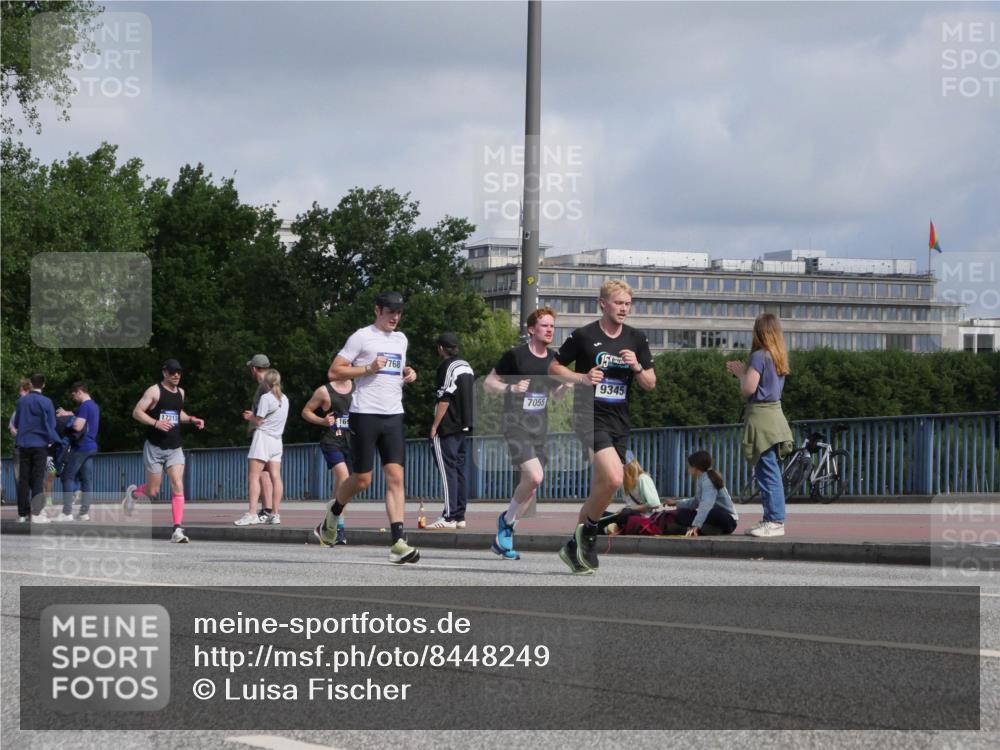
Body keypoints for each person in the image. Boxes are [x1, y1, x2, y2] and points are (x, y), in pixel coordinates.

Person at [549, 279, 656, 575]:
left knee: (603, 486)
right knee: (612, 477)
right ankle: (592, 535)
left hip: (619, 419)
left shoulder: (637, 338)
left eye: (627, 304)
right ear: (603, 303)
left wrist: (636, 367)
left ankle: (574, 545)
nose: (623, 309)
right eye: (618, 303)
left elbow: (650, 383)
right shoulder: (584, 336)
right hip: (588, 414)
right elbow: (554, 367)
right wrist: (582, 378)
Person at [316, 291, 420, 564]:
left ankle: (398, 541)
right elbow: (334, 371)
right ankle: (334, 510)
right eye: (389, 312)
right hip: (365, 414)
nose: (394, 317)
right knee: (363, 479)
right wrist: (367, 369)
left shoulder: (401, 339)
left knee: (396, 477)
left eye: (398, 313)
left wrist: (408, 373)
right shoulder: (361, 336)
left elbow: (396, 370)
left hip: (394, 414)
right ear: (377, 310)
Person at [483, 306, 567, 559]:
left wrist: (567, 385)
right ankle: (506, 524)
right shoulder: (515, 356)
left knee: (530, 486)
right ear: (532, 329)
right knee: (535, 476)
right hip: (515, 423)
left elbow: (556, 396)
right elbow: (489, 383)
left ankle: (506, 528)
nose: (550, 329)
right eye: (544, 325)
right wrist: (511, 388)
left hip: (539, 427)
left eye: (552, 325)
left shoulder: (554, 361)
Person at [727, 313, 794, 538]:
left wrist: (740, 374)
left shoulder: (758, 356)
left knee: (767, 471)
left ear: (759, 332)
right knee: (771, 469)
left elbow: (749, 388)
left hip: (761, 419)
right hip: (776, 416)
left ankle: (774, 520)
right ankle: (770, 519)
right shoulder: (778, 356)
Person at [123, 359, 205, 543]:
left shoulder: (181, 392)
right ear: (164, 373)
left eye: (179, 372)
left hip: (174, 447)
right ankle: (134, 493)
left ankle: (177, 530)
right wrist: (155, 422)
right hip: (155, 447)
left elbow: (178, 413)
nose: (176, 375)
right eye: (172, 372)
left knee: (177, 484)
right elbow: (137, 412)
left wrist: (192, 419)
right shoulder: (154, 391)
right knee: (153, 491)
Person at [599, 450, 737, 536]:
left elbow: (706, 505)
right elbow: (695, 502)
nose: (688, 469)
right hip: (716, 518)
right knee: (682, 514)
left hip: (727, 519)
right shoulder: (702, 479)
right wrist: (676, 503)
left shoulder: (708, 481)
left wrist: (696, 524)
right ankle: (708, 529)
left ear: (694, 467)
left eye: (689, 466)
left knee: (705, 513)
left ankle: (703, 528)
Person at [427, 332, 475, 530]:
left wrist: (435, 425)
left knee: (448, 472)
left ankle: (448, 516)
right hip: (464, 425)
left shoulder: (447, 367)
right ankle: (459, 515)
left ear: (440, 348)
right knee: (459, 470)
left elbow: (445, 397)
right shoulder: (467, 366)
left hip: (448, 426)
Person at [303, 377, 354, 546]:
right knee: (344, 477)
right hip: (331, 441)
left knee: (346, 487)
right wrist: (322, 421)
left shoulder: (358, 387)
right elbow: (306, 411)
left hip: (351, 442)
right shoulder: (324, 391)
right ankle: (333, 527)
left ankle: (333, 528)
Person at [235, 369, 288, 526]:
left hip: (263, 439)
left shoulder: (266, 398)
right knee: (276, 477)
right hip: (277, 441)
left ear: (266, 383)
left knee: (254, 476)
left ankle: (252, 513)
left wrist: (250, 417)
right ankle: (275, 513)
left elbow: (259, 421)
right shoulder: (285, 399)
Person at [13, 374, 61, 523]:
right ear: (43, 385)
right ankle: (37, 513)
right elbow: (52, 424)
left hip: (24, 444)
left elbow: (16, 422)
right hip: (40, 444)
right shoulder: (47, 402)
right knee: (38, 478)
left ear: (31, 385)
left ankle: (22, 514)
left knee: (23, 479)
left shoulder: (21, 401)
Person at [54, 382, 101, 522]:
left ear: (79, 392)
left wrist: (66, 420)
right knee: (87, 480)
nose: (73, 398)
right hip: (92, 446)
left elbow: (78, 425)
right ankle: (84, 513)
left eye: (73, 395)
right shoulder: (94, 406)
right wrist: (69, 413)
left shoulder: (85, 406)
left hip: (81, 447)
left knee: (67, 476)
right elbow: (84, 420)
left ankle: (67, 512)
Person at [246, 354, 275, 522]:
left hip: (263, 433)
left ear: (255, 369)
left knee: (262, 473)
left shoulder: (264, 386)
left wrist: (253, 418)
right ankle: (270, 511)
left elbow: (267, 411)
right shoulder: (271, 384)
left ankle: (265, 510)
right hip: (271, 433)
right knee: (271, 473)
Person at [9, 378, 31, 488]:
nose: (19, 394)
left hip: (21, 446)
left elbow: (12, 430)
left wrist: (19, 434)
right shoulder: (41, 405)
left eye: (20, 391)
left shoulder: (19, 408)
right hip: (35, 446)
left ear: (25, 390)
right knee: (37, 476)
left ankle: (24, 502)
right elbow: (12, 429)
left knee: (19, 476)